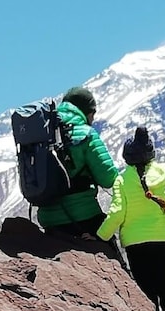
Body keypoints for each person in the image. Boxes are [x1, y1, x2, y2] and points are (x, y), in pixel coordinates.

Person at [97, 127, 165, 311]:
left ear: (127, 157)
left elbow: (117, 213)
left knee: (145, 291)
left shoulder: (122, 181)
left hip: (135, 245)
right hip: (162, 242)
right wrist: (163, 227)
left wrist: (101, 236)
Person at [37, 86, 119, 239]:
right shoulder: (85, 133)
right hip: (84, 216)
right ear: (88, 112)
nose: (93, 120)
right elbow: (108, 179)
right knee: (109, 245)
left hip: (48, 220)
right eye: (93, 114)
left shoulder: (42, 134)